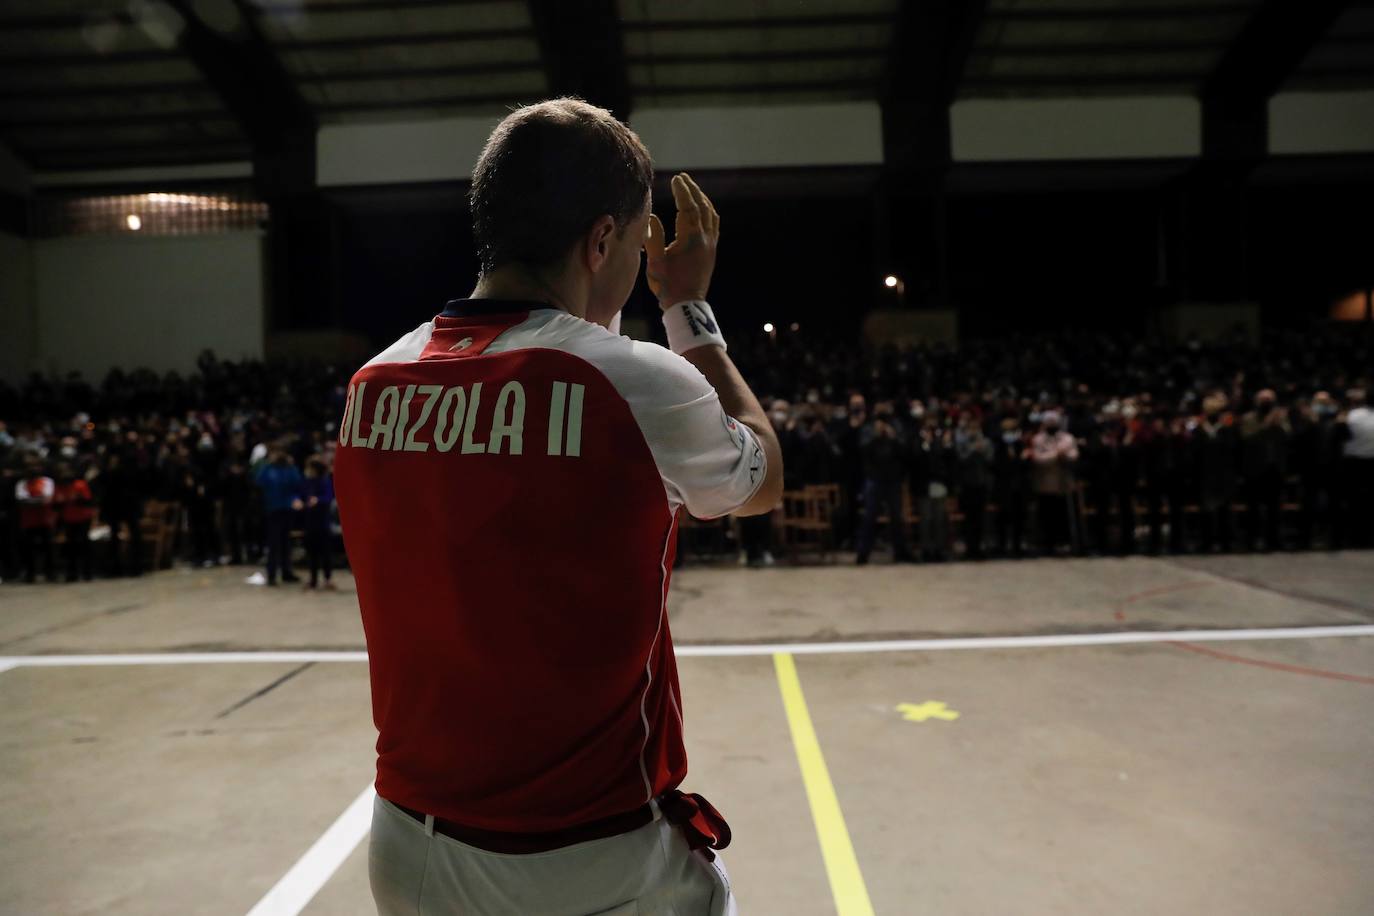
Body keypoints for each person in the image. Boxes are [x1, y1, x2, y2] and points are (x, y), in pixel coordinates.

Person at [335, 100, 781, 915]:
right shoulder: (634, 380)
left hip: (406, 844)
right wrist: (687, 309)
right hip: (582, 854)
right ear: (603, 241)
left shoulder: (374, 384)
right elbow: (762, 475)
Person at [854, 403, 912, 564]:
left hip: (893, 479)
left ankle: (900, 552)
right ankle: (862, 554)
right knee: (869, 518)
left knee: (896, 518)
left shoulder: (897, 427)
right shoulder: (868, 428)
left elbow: (905, 451)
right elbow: (863, 449)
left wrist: (893, 436)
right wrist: (875, 435)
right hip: (874, 479)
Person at [1028, 409, 1079, 555]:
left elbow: (1073, 455)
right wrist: (1056, 454)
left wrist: (1062, 455)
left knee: (1062, 515)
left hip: (1064, 484)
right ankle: (1047, 543)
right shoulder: (1038, 439)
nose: (1051, 425)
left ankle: (1064, 542)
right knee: (1046, 515)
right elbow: (1038, 459)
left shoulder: (1068, 438)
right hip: (1045, 484)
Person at [253, 447, 302, 586]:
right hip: (273, 509)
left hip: (287, 508)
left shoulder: (289, 468)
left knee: (286, 542)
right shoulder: (268, 468)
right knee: (274, 543)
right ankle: (272, 574)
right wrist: (267, 464)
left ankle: (287, 572)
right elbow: (259, 481)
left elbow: (297, 483)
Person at [15, 458, 57, 583]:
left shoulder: (47, 481)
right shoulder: (21, 483)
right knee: (28, 548)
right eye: (30, 466)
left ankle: (50, 573)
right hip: (28, 521)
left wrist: (31, 501)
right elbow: (21, 500)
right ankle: (30, 574)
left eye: (35, 466)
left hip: (45, 519)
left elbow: (47, 499)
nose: (33, 469)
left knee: (48, 547)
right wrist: (38, 501)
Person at [53, 463, 96, 582]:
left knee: (83, 544)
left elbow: (88, 501)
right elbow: (55, 505)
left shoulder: (80, 484)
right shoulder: (59, 487)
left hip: (83, 518)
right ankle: (72, 573)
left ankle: (87, 572)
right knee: (70, 546)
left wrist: (76, 499)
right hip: (68, 519)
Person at [299, 457, 335, 589]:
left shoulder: (324, 481)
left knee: (325, 552)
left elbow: (329, 496)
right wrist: (297, 501)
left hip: (323, 522)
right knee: (312, 552)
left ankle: (328, 579)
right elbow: (300, 495)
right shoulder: (307, 482)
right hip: (309, 522)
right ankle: (313, 579)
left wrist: (318, 500)